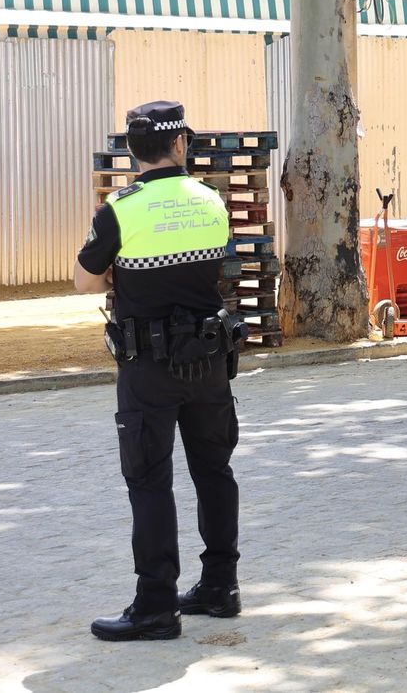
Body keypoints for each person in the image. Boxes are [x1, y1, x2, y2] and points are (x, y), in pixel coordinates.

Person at [74, 100, 245, 641]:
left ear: (131, 150)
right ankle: (220, 586)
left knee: (149, 482)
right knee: (214, 472)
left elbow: (84, 282)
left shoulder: (119, 210)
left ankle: (155, 606)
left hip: (148, 367)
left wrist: (123, 277)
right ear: (180, 145)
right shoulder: (212, 201)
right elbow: (216, 262)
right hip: (211, 360)